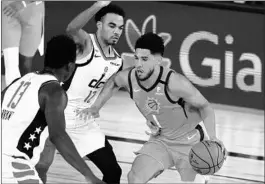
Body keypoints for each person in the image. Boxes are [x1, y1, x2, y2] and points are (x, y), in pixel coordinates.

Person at [79, 32, 227, 183]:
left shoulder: (174, 82)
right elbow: (114, 82)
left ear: (158, 60)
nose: (138, 64)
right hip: (161, 141)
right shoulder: (129, 78)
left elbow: (205, 107)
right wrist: (96, 107)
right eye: (136, 58)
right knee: (134, 178)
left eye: (144, 59)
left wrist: (213, 137)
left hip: (190, 143)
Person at [35, 2, 124, 183]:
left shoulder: (117, 60)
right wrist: (98, 5)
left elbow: (112, 84)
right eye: (112, 25)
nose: (117, 31)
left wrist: (96, 107)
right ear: (99, 25)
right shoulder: (87, 43)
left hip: (83, 121)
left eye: (121, 28)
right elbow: (72, 28)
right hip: (58, 113)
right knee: (41, 166)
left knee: (113, 171)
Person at [1, 35, 105, 184]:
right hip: (12, 167)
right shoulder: (54, 91)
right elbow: (58, 136)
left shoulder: (19, 82)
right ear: (70, 66)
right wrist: (90, 176)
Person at [2, 0, 44, 88]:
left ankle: (23, 96)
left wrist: (23, 3)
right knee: (11, 63)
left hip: (33, 10)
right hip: (8, 8)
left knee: (26, 64)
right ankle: (10, 98)